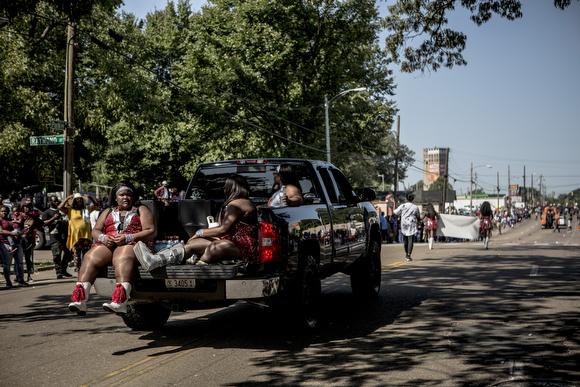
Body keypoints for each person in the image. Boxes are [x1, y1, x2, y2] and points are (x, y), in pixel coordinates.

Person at [135, 174, 258, 270]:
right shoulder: (242, 202)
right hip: (231, 242)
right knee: (192, 244)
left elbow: (223, 229)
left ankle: (196, 262)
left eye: (226, 187)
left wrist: (200, 232)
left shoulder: (236, 203)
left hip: (242, 247)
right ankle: (155, 260)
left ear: (232, 188)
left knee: (212, 246)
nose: (224, 189)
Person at [68, 182, 156, 315]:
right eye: (122, 195)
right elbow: (96, 230)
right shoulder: (108, 211)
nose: (125, 197)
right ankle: (80, 300)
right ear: (115, 197)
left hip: (133, 244)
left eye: (129, 195)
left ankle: (120, 301)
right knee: (90, 256)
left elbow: (151, 231)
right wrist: (103, 238)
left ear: (133, 197)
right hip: (110, 244)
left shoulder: (141, 209)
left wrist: (128, 238)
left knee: (123, 255)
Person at [58, 192, 99, 274]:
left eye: (80, 199)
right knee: (77, 256)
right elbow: (60, 207)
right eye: (77, 199)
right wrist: (67, 199)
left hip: (86, 236)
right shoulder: (70, 209)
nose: (79, 200)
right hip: (75, 237)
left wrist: (90, 198)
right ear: (74, 201)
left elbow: (97, 205)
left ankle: (86, 271)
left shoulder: (87, 208)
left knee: (87, 255)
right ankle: (79, 272)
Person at [42, 195, 70, 279]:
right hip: (55, 238)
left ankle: (64, 270)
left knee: (69, 253)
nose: (57, 202)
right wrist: (53, 218)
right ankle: (59, 272)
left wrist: (65, 223)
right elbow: (43, 223)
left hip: (64, 236)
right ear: (50, 202)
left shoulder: (61, 210)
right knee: (57, 255)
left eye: (57, 201)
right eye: (54, 201)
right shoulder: (47, 212)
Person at [0, 205, 27, 287]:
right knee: (7, 263)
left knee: (20, 262)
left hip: (17, 242)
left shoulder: (12, 220)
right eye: (2, 211)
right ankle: (8, 281)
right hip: (5, 243)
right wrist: (13, 233)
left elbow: (19, 227)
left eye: (6, 211)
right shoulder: (0, 220)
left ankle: (21, 280)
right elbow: (1, 231)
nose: (4, 212)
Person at [393, 193, 421, 262]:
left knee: (405, 239)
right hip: (412, 223)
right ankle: (408, 254)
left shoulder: (402, 206)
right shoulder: (415, 207)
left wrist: (394, 204)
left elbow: (395, 213)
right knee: (410, 239)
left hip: (404, 223)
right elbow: (418, 217)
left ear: (406, 199)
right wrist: (418, 222)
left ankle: (406, 253)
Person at [21, 203, 44, 282]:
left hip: (29, 241)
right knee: (19, 260)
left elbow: (41, 223)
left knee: (29, 259)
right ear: (22, 207)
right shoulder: (18, 216)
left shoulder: (33, 217)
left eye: (29, 207)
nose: (27, 208)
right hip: (19, 241)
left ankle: (29, 275)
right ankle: (18, 276)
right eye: (25, 207)